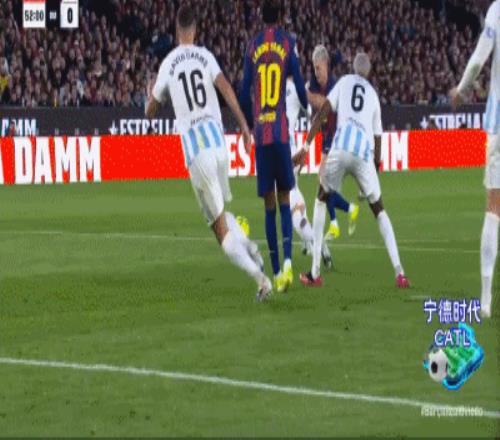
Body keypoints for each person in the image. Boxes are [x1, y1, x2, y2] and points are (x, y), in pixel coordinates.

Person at [145, 5, 272, 301]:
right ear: (195, 30)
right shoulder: (206, 56)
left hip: (197, 152)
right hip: (218, 143)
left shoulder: (168, 63)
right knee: (220, 215)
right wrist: (244, 127)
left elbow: (151, 110)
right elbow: (226, 89)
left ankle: (261, 279)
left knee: (219, 229)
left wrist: (151, 95)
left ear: (177, 30)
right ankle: (252, 248)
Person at [296, 53, 410, 289]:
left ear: (353, 67)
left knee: (320, 199)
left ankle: (315, 273)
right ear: (369, 72)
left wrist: (306, 146)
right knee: (379, 210)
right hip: (363, 153)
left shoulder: (344, 82)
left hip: (340, 147)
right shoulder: (374, 96)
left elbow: (323, 112)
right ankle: (400, 273)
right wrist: (374, 169)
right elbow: (378, 139)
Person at [239, 0, 308, 292]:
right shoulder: (287, 43)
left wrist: (249, 122)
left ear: (261, 17)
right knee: (285, 200)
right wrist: (307, 108)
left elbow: (244, 91)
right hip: (280, 133)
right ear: (279, 17)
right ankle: (289, 262)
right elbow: (301, 87)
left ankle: (277, 270)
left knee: (268, 206)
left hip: (262, 133)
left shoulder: (252, 46)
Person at [450, 0, 500, 318]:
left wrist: (461, 89)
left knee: (494, 208)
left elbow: (479, 59)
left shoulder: (497, 10)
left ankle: (485, 300)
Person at [307, 45, 359, 240]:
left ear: (325, 64)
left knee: (323, 179)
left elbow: (324, 105)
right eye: (314, 68)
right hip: (326, 135)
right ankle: (348, 210)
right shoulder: (316, 82)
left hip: (337, 136)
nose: (316, 72)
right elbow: (314, 102)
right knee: (323, 181)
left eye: (318, 68)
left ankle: (335, 223)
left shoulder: (335, 85)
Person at [286, 76, 333, 269]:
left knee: (293, 212)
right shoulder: (295, 88)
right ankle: (312, 243)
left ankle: (316, 244)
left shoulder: (267, 85)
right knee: (296, 201)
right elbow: (313, 109)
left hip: (278, 154)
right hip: (290, 150)